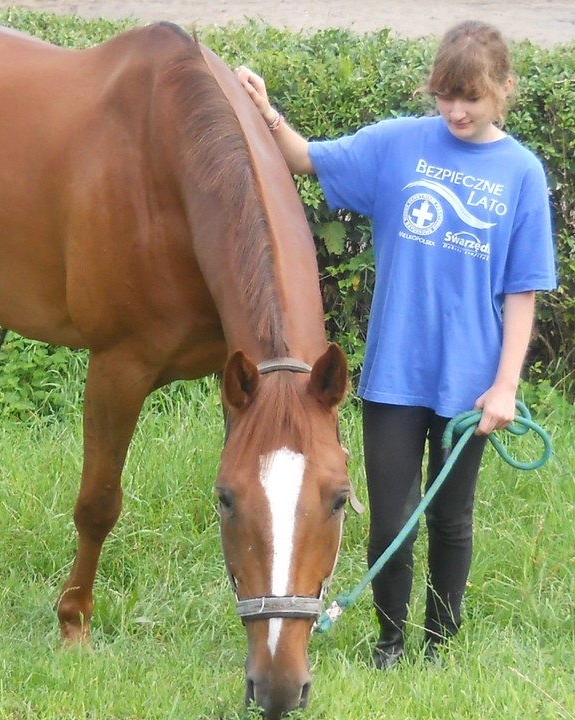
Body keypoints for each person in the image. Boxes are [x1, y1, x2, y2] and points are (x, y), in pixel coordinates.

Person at [236, 19, 558, 669]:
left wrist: (505, 386)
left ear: (504, 90)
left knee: (450, 521)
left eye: (470, 97)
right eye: (444, 96)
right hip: (395, 375)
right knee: (389, 523)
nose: (456, 111)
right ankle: (390, 642)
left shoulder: (521, 173)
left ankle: (437, 646)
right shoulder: (398, 146)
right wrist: (266, 112)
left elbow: (523, 291)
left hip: (470, 385)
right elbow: (306, 158)